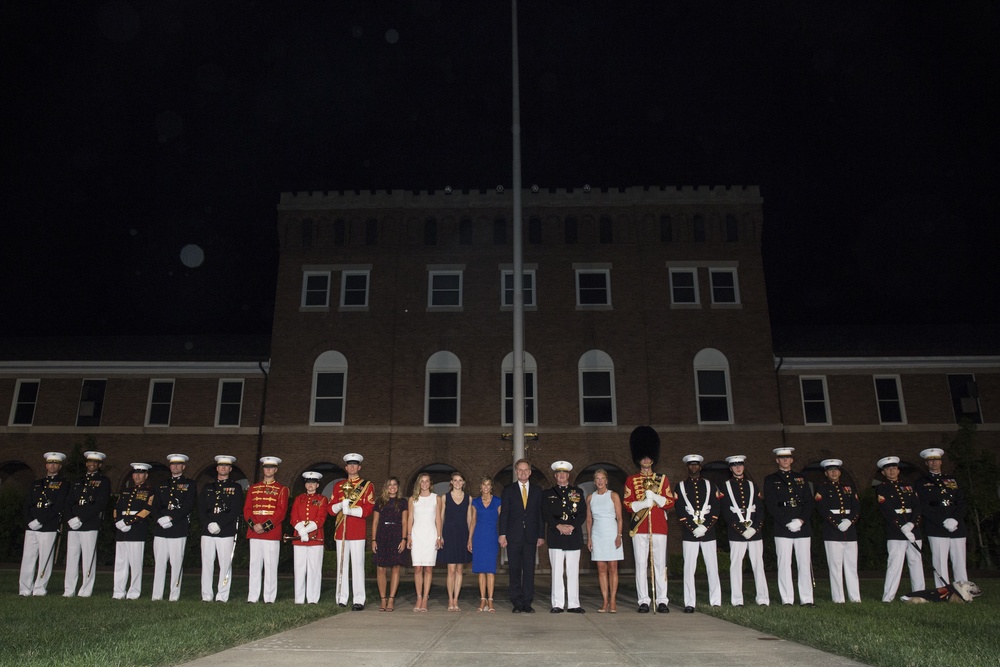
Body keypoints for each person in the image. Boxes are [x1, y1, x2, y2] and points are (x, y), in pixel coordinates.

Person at [622, 426, 675, 613]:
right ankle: (643, 600)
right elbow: (627, 504)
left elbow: (669, 502)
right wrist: (643, 503)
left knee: (660, 565)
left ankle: (662, 600)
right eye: (643, 457)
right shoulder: (631, 480)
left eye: (648, 457)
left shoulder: (662, 479)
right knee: (641, 565)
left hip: (659, 527)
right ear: (639, 459)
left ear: (653, 458)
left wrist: (656, 498)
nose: (646, 460)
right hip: (640, 528)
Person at [763, 447, 815, 607]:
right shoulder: (771, 479)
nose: (785, 461)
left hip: (802, 527)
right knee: (784, 564)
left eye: (788, 458)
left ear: (792, 460)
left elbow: (809, 502)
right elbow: (771, 505)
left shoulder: (801, 478)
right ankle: (787, 599)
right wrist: (787, 522)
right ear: (777, 460)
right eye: (782, 458)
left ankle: (807, 599)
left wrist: (800, 521)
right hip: (782, 527)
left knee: (804, 563)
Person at [719, 455, 769, 607]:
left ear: (744, 467)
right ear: (730, 468)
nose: (738, 468)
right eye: (734, 466)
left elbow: (760, 509)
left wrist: (754, 528)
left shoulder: (752, 486)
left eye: (740, 465)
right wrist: (741, 529)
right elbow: (725, 511)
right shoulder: (725, 487)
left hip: (755, 533)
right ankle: (737, 600)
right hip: (736, 533)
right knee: (735, 566)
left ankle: (763, 599)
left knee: (758, 565)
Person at [875, 455, 925, 602]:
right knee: (895, 564)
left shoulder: (908, 486)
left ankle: (920, 594)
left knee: (916, 562)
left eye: (894, 468)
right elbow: (887, 510)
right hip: (895, 531)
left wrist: (912, 524)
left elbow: (917, 506)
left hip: (913, 529)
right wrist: (902, 527)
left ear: (898, 470)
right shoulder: (881, 488)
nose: (892, 471)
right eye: (888, 469)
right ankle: (888, 597)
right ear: (883, 472)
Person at [676, 454, 722, 612]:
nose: (694, 467)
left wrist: (705, 526)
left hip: (708, 533)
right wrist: (693, 527)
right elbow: (680, 509)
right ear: (687, 467)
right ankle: (689, 602)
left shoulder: (710, 485)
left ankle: (715, 600)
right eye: (691, 465)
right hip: (690, 534)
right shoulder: (680, 487)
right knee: (689, 569)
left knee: (712, 567)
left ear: (700, 467)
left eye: (696, 465)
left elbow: (716, 508)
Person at [19, 452, 69, 597]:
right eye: (50, 463)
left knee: (45, 559)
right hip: (32, 526)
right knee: (28, 558)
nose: (52, 466)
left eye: (55, 463)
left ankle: (40, 588)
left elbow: (58, 506)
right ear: (46, 465)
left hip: (48, 526)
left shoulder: (63, 484)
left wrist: (40, 520)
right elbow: (28, 504)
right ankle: (24, 589)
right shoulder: (36, 483)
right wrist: (30, 521)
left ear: (59, 466)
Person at [499, 458, 545, 613]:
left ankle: (527, 602)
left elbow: (540, 515)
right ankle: (516, 602)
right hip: (513, 536)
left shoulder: (537, 491)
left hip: (531, 537)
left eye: (526, 470)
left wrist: (541, 535)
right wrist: (502, 534)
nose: (523, 472)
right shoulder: (508, 490)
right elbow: (504, 514)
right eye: (520, 470)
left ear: (530, 472)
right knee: (514, 570)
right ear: (516, 471)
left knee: (529, 569)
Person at [329, 453, 374, 610]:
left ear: (359, 467)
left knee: (357, 565)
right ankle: (341, 598)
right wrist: (340, 506)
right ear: (346, 467)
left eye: (355, 465)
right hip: (341, 530)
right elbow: (330, 508)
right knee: (341, 565)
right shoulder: (338, 485)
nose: (352, 467)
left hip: (357, 531)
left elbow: (368, 508)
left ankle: (359, 599)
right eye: (350, 465)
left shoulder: (367, 485)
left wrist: (351, 511)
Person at [918, 447, 968, 587]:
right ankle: (943, 590)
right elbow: (923, 506)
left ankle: (963, 589)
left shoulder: (952, 479)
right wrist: (942, 521)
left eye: (936, 460)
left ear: (941, 462)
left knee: (959, 560)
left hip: (957, 526)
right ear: (926, 464)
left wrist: (955, 519)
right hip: (936, 527)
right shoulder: (921, 482)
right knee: (940, 561)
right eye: (930, 461)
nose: (934, 463)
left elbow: (962, 502)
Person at [63, 450, 111, 598]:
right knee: (71, 557)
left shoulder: (103, 481)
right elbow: (68, 501)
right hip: (73, 524)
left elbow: (100, 503)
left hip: (89, 523)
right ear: (86, 463)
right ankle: (69, 589)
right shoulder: (78, 480)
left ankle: (86, 589)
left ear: (100, 464)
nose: (92, 464)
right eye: (90, 461)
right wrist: (70, 518)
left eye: (95, 462)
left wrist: (81, 518)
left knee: (88, 558)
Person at [198, 454, 244, 602]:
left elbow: (236, 510)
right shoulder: (208, 487)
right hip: (208, 530)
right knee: (207, 563)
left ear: (230, 469)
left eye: (226, 466)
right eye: (220, 466)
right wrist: (208, 523)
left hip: (226, 530)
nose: (223, 468)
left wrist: (220, 524)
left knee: (225, 564)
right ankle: (206, 595)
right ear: (217, 468)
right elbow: (201, 508)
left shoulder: (236, 488)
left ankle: (222, 595)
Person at [152, 453, 197, 601]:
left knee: (176, 563)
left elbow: (188, 505)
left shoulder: (190, 484)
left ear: (183, 467)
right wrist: (160, 519)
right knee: (159, 563)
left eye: (178, 465)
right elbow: (155, 505)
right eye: (173, 464)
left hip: (178, 527)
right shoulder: (161, 484)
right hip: (161, 528)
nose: (175, 467)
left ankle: (174, 595)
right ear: (170, 466)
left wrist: (171, 517)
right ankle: (157, 595)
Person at [244, 456, 289, 604]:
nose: (268, 470)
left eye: (271, 468)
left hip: (271, 532)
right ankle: (253, 596)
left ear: (276, 470)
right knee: (254, 565)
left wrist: (265, 526)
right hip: (254, 531)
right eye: (266, 467)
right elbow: (247, 510)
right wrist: (254, 525)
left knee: (270, 566)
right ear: (263, 469)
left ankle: (269, 597)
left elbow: (281, 512)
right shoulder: (253, 488)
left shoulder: (281, 489)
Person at [814, 458, 861, 603]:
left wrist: (850, 520)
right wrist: (836, 522)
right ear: (826, 473)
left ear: (839, 472)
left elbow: (856, 507)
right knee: (835, 566)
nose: (834, 472)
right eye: (830, 470)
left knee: (852, 566)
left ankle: (855, 597)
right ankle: (838, 598)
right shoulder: (822, 488)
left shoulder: (848, 487)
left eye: (836, 470)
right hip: (832, 532)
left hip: (850, 531)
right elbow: (822, 508)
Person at [543, 460, 587, 614]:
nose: (562, 476)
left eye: (564, 473)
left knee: (573, 571)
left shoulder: (577, 492)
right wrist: (558, 526)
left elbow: (582, 513)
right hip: (556, 536)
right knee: (556, 571)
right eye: (559, 473)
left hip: (573, 536)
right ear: (555, 476)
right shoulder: (547, 494)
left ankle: (574, 604)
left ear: (568, 475)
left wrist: (572, 526)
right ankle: (557, 604)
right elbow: (546, 514)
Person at [112, 462, 156, 599]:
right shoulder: (126, 490)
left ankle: (134, 592)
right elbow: (117, 507)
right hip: (121, 529)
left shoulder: (150, 491)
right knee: (120, 562)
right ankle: (118, 592)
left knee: (135, 564)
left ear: (146, 475)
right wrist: (118, 521)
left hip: (137, 529)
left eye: (141, 473)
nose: (137, 476)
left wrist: (129, 521)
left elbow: (147, 509)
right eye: (135, 473)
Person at [586, 468, 623, 613]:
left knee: (613, 567)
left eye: (602, 478)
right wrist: (589, 538)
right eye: (597, 479)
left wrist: (619, 535)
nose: (600, 481)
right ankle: (605, 601)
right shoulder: (590, 497)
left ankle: (613, 601)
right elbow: (589, 519)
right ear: (594, 482)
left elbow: (619, 518)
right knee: (601, 568)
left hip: (612, 533)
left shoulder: (613, 496)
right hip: (597, 534)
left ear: (606, 481)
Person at [291, 471, 329, 604]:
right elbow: (294, 516)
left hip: (315, 538)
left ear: (317, 485)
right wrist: (301, 531)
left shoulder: (322, 499)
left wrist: (306, 531)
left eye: (313, 483)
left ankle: (313, 598)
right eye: (308, 482)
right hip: (299, 538)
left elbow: (321, 519)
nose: (310, 485)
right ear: (305, 485)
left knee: (314, 569)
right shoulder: (298, 499)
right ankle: (299, 598)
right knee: (299, 568)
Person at [372, 476, 408, 612]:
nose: (392, 487)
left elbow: (405, 522)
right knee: (380, 568)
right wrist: (373, 540)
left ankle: (391, 599)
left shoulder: (403, 502)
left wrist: (404, 539)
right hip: (382, 535)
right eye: (389, 485)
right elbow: (375, 522)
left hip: (396, 535)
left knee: (395, 568)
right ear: (386, 487)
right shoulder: (380, 502)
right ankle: (383, 599)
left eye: (394, 485)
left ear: (398, 487)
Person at [407, 472, 441, 612]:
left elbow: (438, 518)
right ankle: (419, 597)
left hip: (431, 535)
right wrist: (408, 536)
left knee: (428, 568)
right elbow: (410, 518)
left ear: (430, 483)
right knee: (417, 568)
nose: (425, 484)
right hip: (416, 535)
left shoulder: (436, 498)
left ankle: (425, 598)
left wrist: (439, 537)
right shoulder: (413, 499)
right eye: (422, 481)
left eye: (427, 481)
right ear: (419, 483)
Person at [439, 471, 472, 611]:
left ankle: (456, 600)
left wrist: (470, 538)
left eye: (460, 480)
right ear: (451, 482)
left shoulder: (468, 499)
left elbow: (469, 519)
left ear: (463, 483)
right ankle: (450, 600)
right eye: (455, 480)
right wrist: (439, 535)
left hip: (463, 534)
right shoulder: (445, 498)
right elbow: (440, 518)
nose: (458, 483)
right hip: (449, 534)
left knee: (459, 569)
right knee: (451, 569)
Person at [469, 477, 501, 613]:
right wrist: (469, 539)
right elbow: (473, 522)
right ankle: (483, 599)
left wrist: (503, 535)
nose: (486, 487)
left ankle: (491, 600)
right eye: (484, 485)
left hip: (492, 537)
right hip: (479, 537)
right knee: (481, 570)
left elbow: (502, 521)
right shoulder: (475, 502)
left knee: (490, 570)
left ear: (491, 487)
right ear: (480, 487)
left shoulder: (498, 501)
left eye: (488, 485)